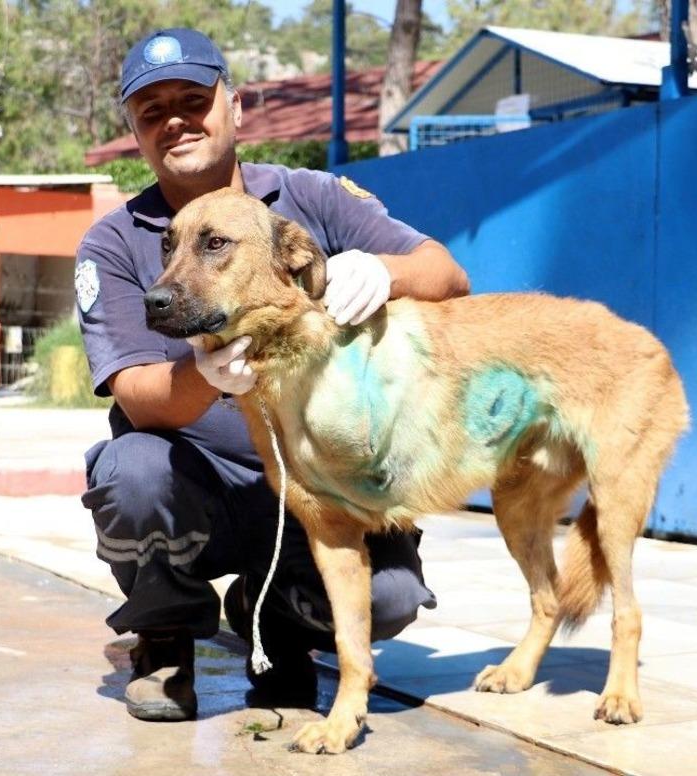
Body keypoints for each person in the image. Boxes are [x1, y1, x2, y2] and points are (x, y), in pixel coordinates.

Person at [76, 27, 470, 722]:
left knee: (391, 597)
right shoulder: (115, 241)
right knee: (130, 473)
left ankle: (284, 627)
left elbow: (447, 274)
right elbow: (138, 398)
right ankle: (166, 638)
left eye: (193, 100)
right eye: (151, 110)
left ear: (236, 107)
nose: (174, 120)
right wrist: (207, 376)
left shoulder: (311, 198)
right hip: (199, 483)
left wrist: (383, 269)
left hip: (314, 477)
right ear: (134, 130)